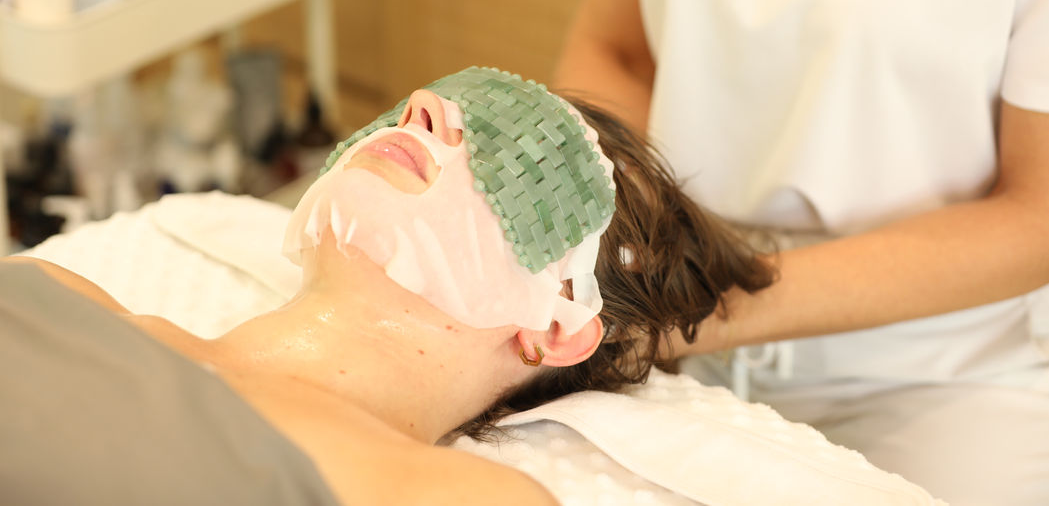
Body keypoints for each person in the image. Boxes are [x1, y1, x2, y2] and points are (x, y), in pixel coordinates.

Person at [554, 0, 1049, 504]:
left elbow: (1035, 214)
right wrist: (597, 256)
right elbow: (618, 52)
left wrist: (701, 308)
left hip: (937, 373)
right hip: (657, 319)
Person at [0, 67, 774, 505]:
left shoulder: (457, 498)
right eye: (440, 97)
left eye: (518, 154)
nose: (422, 109)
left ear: (558, 323)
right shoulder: (55, 288)